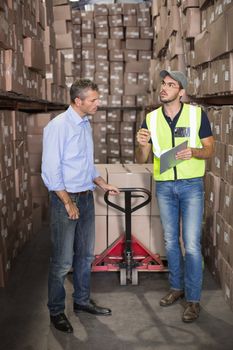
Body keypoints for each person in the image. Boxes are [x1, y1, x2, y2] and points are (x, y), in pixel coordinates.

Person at [41, 79, 120, 333]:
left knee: (85, 256)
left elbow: (86, 163)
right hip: (67, 200)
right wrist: (67, 202)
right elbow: (51, 171)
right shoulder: (58, 127)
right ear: (78, 101)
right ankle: (56, 311)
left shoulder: (85, 124)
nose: (98, 103)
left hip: (85, 196)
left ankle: (82, 301)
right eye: (93, 100)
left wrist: (101, 182)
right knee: (63, 262)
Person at [136, 70, 214, 323]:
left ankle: (193, 300)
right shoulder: (150, 118)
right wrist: (141, 144)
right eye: (163, 83)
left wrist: (193, 151)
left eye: (171, 84)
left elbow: (210, 149)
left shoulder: (196, 114)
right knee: (170, 242)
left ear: (182, 92)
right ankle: (176, 288)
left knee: (190, 244)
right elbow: (142, 160)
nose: (164, 87)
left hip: (191, 185)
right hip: (165, 186)